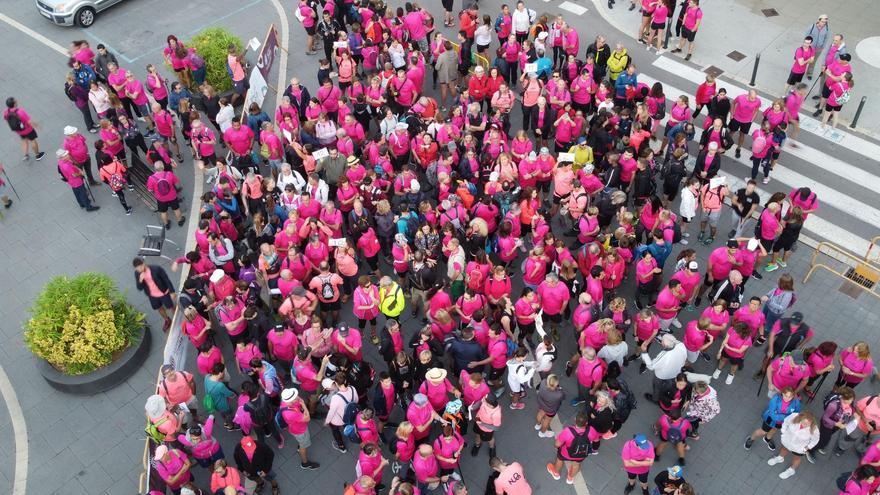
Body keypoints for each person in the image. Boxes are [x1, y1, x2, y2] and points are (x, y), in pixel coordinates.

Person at [745, 386, 801, 452]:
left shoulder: (796, 402)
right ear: (782, 393)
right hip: (770, 419)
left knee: (774, 429)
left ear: (793, 396)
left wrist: (787, 418)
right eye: (786, 395)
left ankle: (767, 439)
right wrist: (785, 417)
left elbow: (796, 413)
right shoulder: (775, 399)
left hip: (781, 422)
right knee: (763, 431)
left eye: (790, 397)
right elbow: (773, 415)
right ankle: (751, 438)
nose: (787, 398)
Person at [767, 411, 820, 479]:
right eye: (803, 422)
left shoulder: (814, 429)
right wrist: (783, 431)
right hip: (788, 440)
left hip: (799, 447)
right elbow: (786, 421)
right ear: (801, 418)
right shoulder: (794, 416)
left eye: (807, 424)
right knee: (784, 449)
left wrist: (807, 448)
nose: (804, 425)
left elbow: (815, 440)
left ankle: (791, 470)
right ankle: (780, 458)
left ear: (811, 422)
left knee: (796, 458)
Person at [133, 257, 176, 331]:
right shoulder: (137, 273)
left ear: (144, 264)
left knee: (170, 306)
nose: (139, 270)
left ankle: (176, 318)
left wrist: (172, 292)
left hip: (163, 293)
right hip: (152, 295)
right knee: (158, 308)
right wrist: (140, 280)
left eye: (140, 267)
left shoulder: (156, 269)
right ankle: (167, 320)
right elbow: (139, 288)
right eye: (137, 269)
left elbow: (166, 279)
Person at [642, 334, 687, 403]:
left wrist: (644, 352)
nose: (661, 342)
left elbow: (651, 366)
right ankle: (665, 395)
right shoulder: (681, 345)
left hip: (661, 376)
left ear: (665, 345)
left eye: (662, 341)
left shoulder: (664, 355)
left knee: (657, 387)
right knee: (668, 387)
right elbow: (684, 360)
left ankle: (655, 399)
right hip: (675, 373)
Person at [547, 411, 589, 485]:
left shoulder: (568, 431)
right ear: (586, 423)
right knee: (576, 465)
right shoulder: (591, 431)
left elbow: (557, 443)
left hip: (565, 453)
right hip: (580, 454)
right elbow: (594, 440)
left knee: (559, 460)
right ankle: (570, 478)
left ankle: (556, 473)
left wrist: (556, 447)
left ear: (575, 419)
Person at [147, 161, 186, 229]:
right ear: (163, 167)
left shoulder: (151, 178)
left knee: (163, 212)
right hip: (172, 196)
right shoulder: (169, 174)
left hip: (161, 198)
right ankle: (180, 221)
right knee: (176, 209)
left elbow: (150, 190)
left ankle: (166, 224)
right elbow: (177, 182)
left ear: (155, 168)